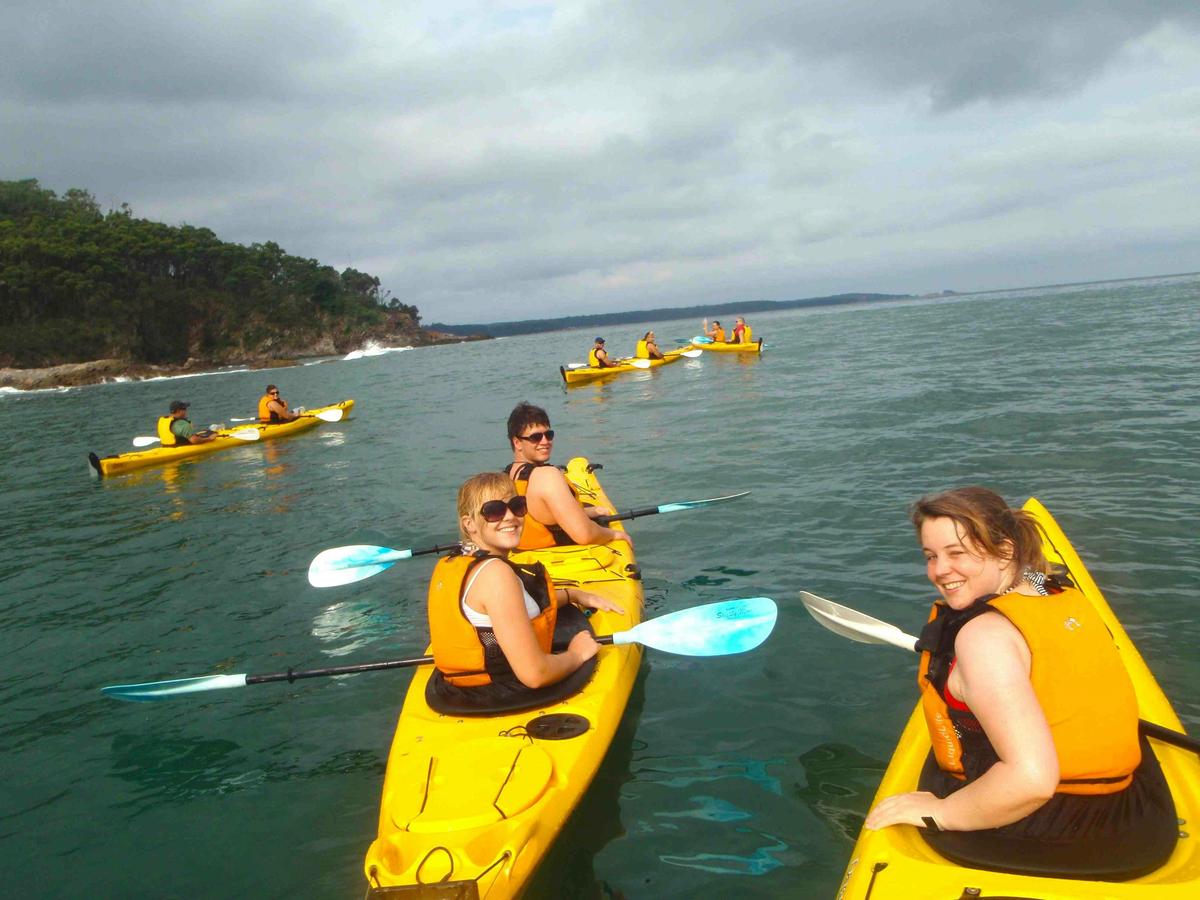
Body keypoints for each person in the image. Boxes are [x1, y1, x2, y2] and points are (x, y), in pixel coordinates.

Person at [865, 486, 1176, 877]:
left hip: (1048, 823)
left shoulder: (984, 638)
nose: (939, 570)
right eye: (931, 556)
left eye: (957, 553)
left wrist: (940, 811)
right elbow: (1033, 576)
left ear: (1006, 551)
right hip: (1133, 808)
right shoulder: (1052, 587)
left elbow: (1031, 782)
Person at [426, 472, 624, 712]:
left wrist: (574, 595)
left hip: (456, 690)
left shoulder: (455, 562)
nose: (510, 516)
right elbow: (535, 675)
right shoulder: (496, 574)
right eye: (494, 511)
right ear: (469, 524)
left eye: (517, 506)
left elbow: (503, 610)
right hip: (502, 691)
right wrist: (576, 654)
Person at [505, 402, 634, 552]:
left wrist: (587, 512)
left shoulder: (508, 475)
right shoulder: (547, 476)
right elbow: (584, 535)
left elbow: (539, 512)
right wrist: (615, 534)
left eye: (549, 435)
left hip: (525, 553)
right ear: (517, 442)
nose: (545, 441)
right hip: (560, 555)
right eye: (536, 437)